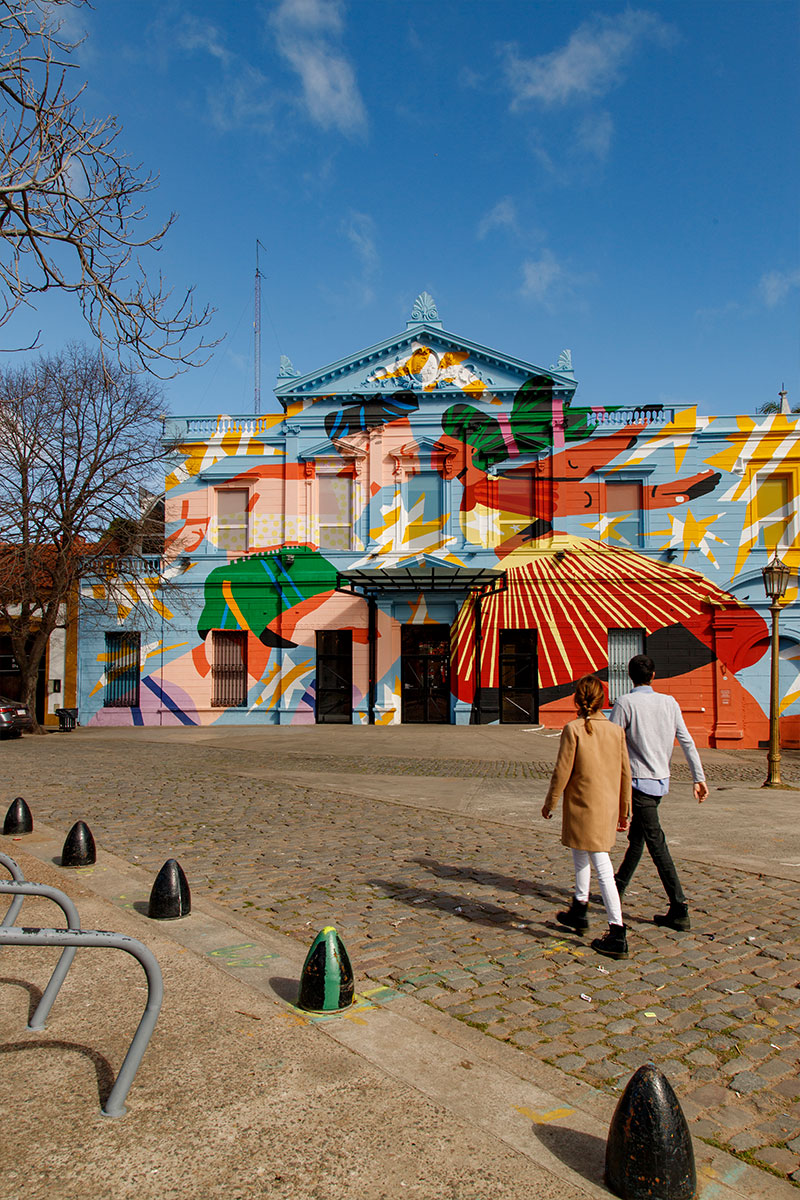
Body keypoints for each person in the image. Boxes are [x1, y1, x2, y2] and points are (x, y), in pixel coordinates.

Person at [609, 654, 709, 931]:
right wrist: (698, 778)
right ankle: (617, 887)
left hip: (638, 781)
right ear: (653, 676)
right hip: (660, 781)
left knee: (655, 842)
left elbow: (611, 744)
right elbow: (686, 740)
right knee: (639, 836)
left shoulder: (625, 703)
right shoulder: (669, 702)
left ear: (630, 676)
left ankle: (679, 906)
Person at [542, 675, 632, 960]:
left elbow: (562, 770)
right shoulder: (616, 731)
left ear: (578, 700)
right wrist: (624, 809)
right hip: (605, 806)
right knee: (580, 853)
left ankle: (617, 930)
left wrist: (550, 801)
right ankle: (579, 907)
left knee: (602, 865)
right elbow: (625, 773)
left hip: (582, 804)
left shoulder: (574, 729)